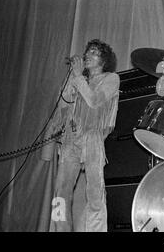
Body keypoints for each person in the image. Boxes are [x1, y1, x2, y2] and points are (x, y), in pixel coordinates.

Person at [49, 39, 120, 232]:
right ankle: (59, 229)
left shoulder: (111, 78)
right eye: (87, 52)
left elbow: (95, 101)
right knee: (59, 193)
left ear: (104, 60)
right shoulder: (79, 80)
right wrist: (72, 79)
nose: (87, 55)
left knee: (94, 191)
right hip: (70, 139)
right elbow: (63, 107)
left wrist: (79, 77)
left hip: (92, 137)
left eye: (94, 52)